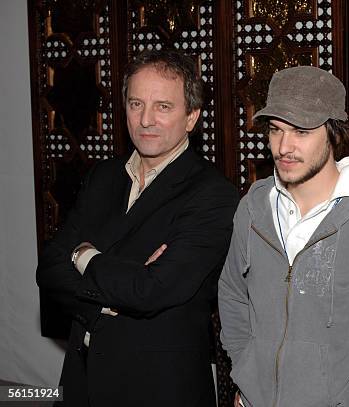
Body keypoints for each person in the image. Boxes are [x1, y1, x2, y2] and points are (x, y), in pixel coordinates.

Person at [218, 66, 349, 407]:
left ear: (333, 133)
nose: (284, 146)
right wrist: (247, 369)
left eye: (301, 131)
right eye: (275, 130)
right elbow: (231, 293)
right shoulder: (254, 207)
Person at [36, 49, 238, 406]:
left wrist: (84, 256)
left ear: (191, 117)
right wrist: (114, 294)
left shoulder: (213, 194)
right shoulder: (102, 177)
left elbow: (151, 290)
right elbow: (50, 268)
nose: (146, 120)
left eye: (163, 107)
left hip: (158, 386)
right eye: (135, 104)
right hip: (81, 380)